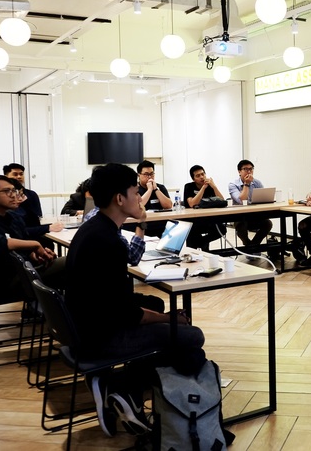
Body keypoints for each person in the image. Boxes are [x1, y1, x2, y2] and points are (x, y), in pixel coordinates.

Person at [65, 163, 206, 436]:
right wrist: (170, 319)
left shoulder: (95, 228)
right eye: (134, 191)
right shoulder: (107, 242)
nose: (140, 197)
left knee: (170, 324)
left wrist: (166, 319)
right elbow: (128, 314)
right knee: (193, 339)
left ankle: (117, 386)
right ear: (120, 198)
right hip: (101, 337)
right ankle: (121, 386)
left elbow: (120, 305)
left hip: (83, 327)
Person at [0, 175, 67, 299]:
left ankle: (59, 312)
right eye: (7, 191)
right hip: (7, 281)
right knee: (73, 261)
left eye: (14, 190)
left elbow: (22, 244)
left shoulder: (13, 217)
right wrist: (35, 244)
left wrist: (35, 255)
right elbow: (2, 243)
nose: (14, 195)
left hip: (26, 270)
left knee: (76, 268)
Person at [3, 163, 63, 242]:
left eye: (21, 174)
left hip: (34, 233)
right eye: (15, 174)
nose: (19, 177)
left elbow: (37, 218)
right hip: (20, 239)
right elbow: (16, 231)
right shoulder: (4, 200)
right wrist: (48, 228)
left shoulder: (31, 194)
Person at [227, 159, 273, 247]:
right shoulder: (233, 185)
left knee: (268, 223)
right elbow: (241, 200)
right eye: (245, 169)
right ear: (239, 171)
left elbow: (264, 198)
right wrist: (246, 184)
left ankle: (252, 246)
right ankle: (248, 244)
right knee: (241, 225)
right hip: (240, 217)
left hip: (255, 215)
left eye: (251, 169)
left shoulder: (257, 182)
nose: (249, 171)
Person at [183, 164, 227, 250]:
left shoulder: (210, 186)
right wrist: (203, 188)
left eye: (203, 174)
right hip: (194, 220)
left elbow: (222, 201)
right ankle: (195, 249)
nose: (202, 177)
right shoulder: (189, 186)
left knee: (222, 229)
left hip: (208, 218)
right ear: (193, 179)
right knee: (192, 233)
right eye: (198, 176)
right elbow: (192, 203)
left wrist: (214, 186)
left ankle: (202, 242)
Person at [136, 160, 172, 237]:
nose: (149, 177)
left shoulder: (160, 187)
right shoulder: (135, 189)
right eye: (146, 174)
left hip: (160, 225)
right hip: (143, 225)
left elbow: (168, 205)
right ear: (139, 175)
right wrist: (149, 190)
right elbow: (138, 206)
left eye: (151, 174)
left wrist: (155, 189)